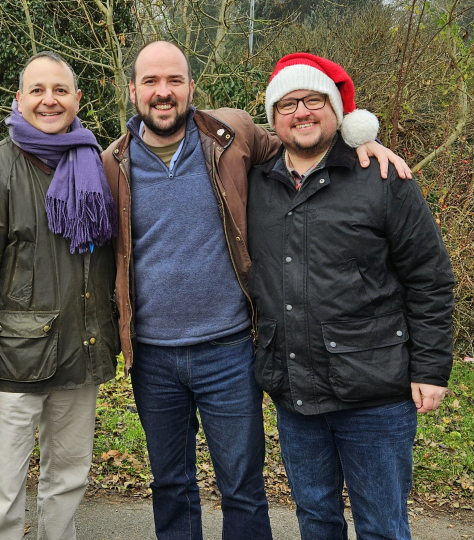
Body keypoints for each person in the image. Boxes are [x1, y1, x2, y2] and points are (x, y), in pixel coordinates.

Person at [100, 40, 411, 540]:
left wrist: (360, 142)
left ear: (190, 88)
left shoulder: (232, 134)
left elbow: (304, 146)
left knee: (243, 486)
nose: (164, 93)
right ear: (133, 89)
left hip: (229, 350)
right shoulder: (111, 162)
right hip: (153, 357)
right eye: (152, 82)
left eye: (174, 81)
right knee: (170, 484)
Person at [247, 53, 454, 539]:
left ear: (338, 111)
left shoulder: (383, 178)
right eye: (288, 103)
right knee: (316, 521)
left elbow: (429, 277)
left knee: (382, 527)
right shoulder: (256, 184)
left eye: (314, 100)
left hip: (375, 396)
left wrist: (430, 367)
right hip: (295, 394)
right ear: (273, 118)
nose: (301, 112)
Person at [0, 51, 119, 540]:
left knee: (67, 482)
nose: (49, 101)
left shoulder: (98, 163)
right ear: (19, 100)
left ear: (77, 99)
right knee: (0, 494)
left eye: (60, 90)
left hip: (80, 351)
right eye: (37, 91)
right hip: (12, 364)